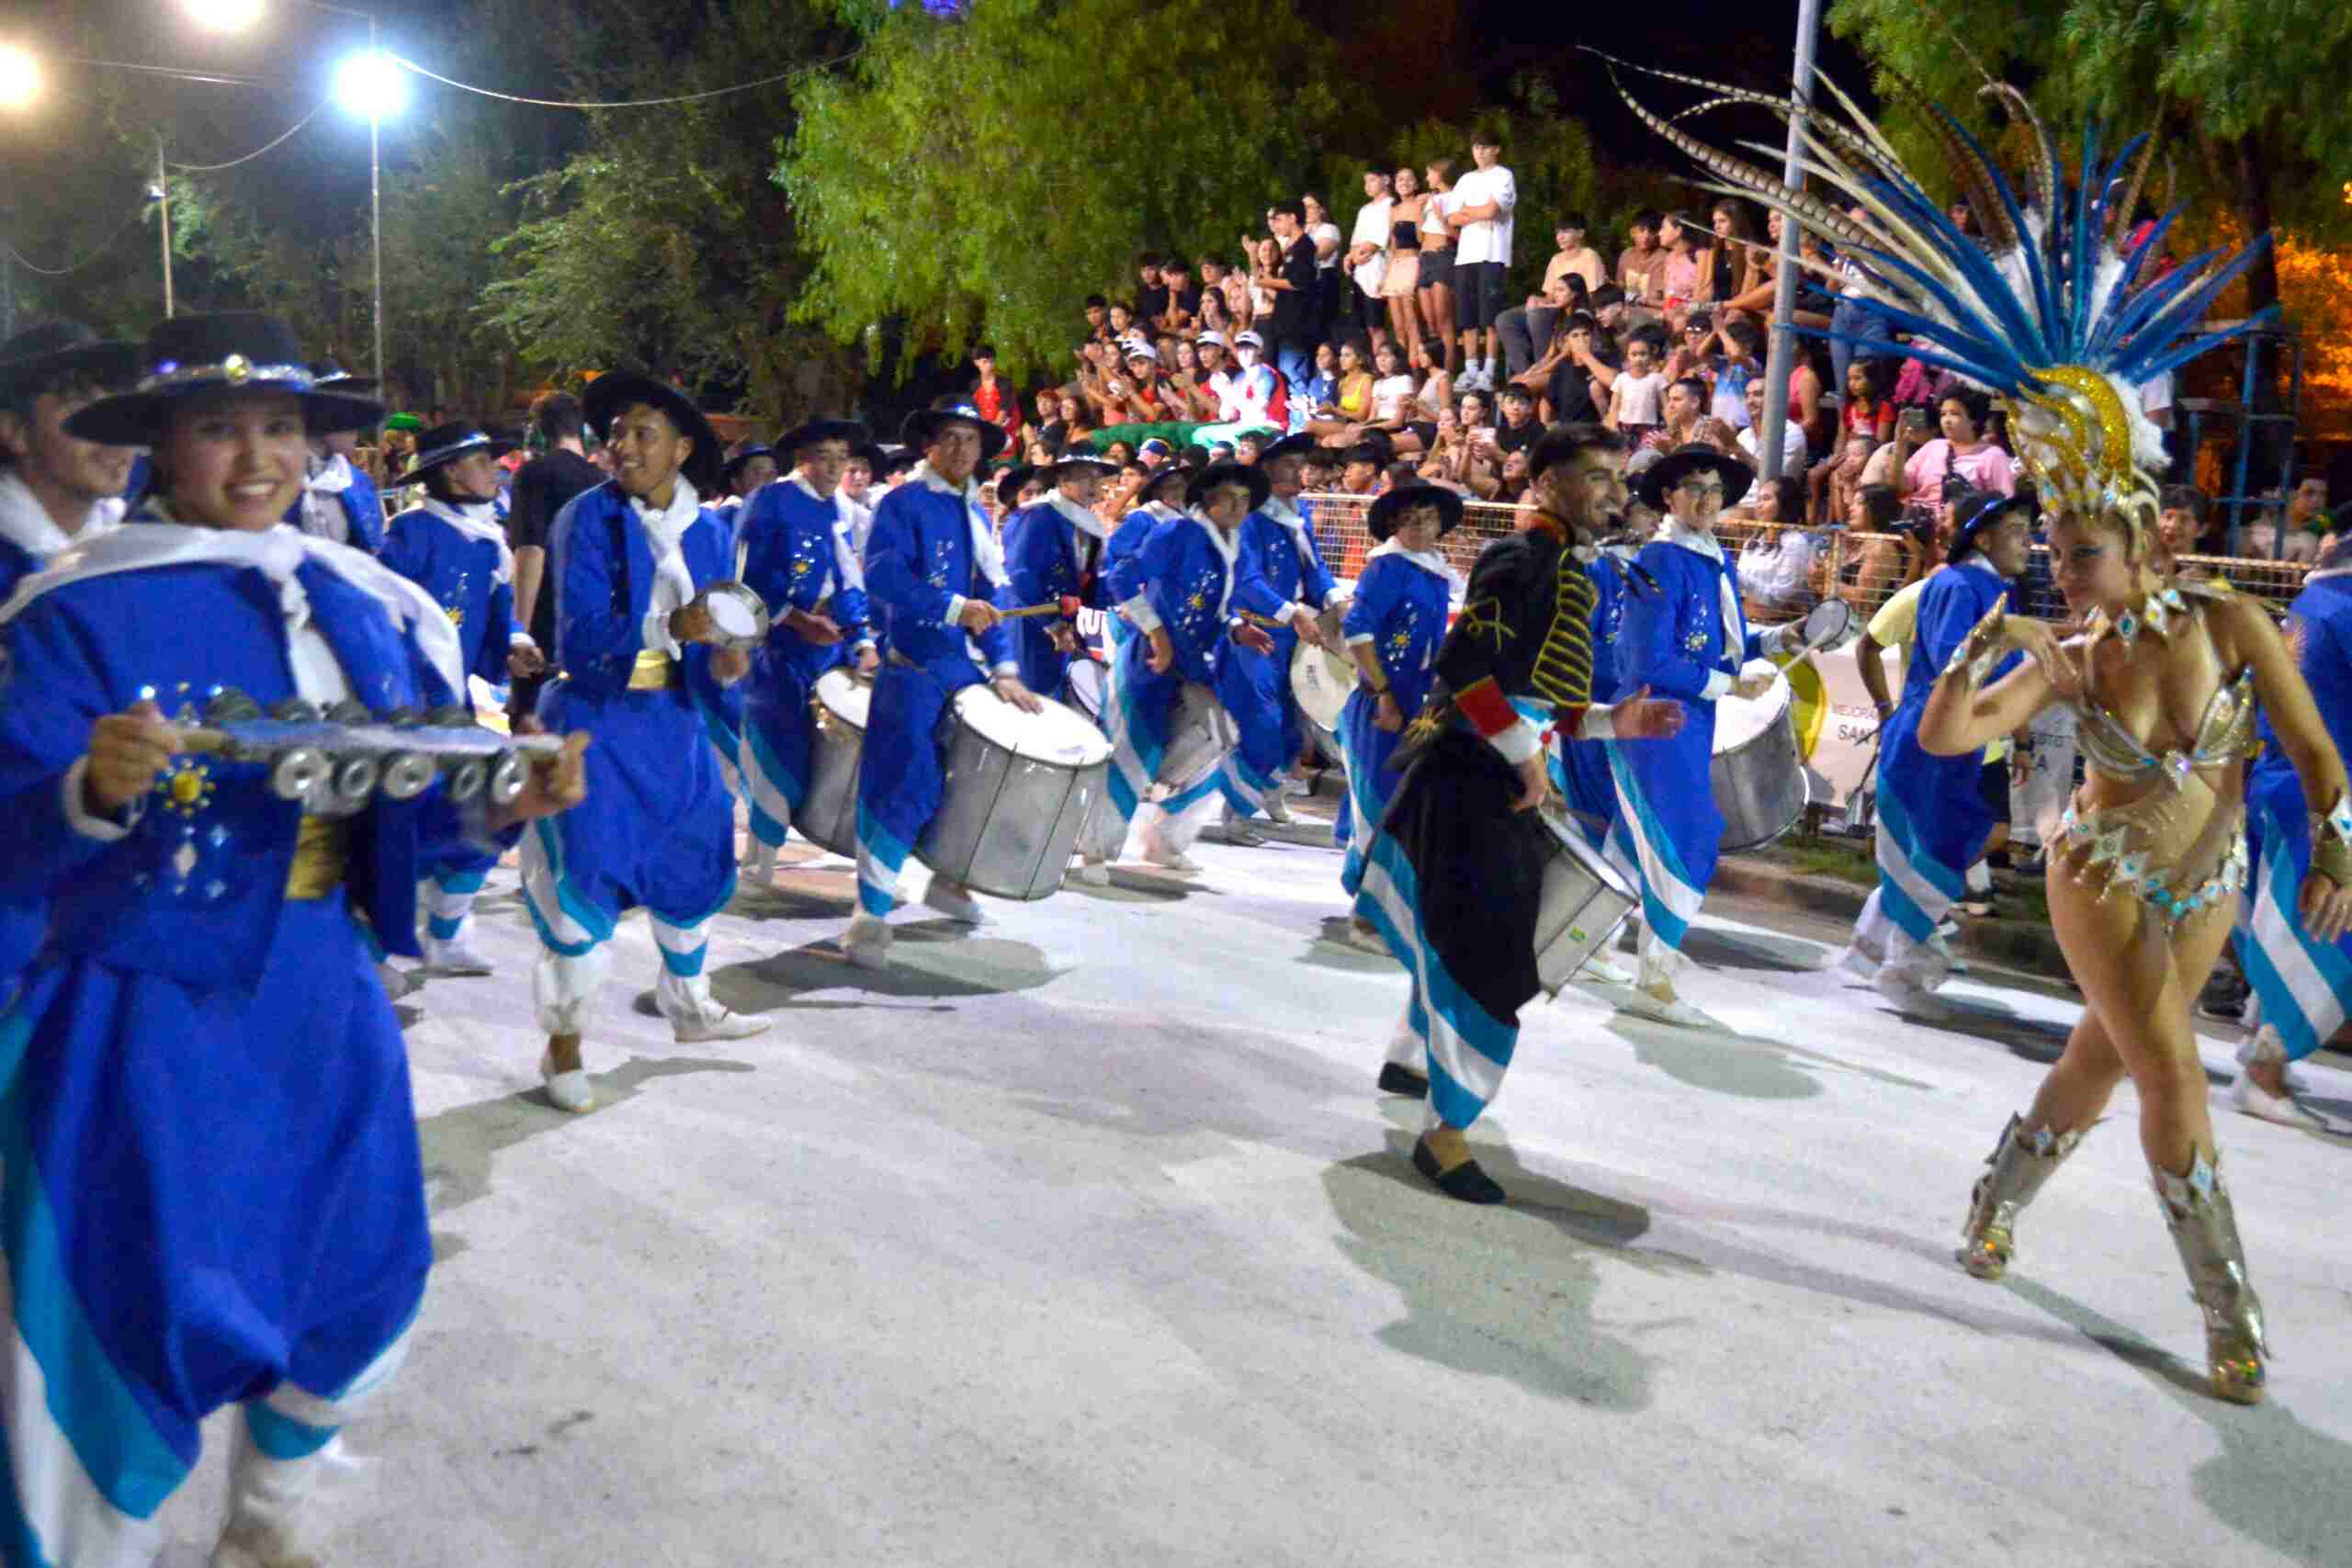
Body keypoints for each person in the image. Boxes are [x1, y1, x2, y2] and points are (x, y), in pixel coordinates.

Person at [1617, 55, 2352, 1405]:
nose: (2060, 572)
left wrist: (2341, 848)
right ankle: (2227, 1308)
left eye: (2077, 550)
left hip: (2213, 881)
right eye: (2050, 552)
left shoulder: (2236, 626)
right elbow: (1954, 736)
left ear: (2137, 533)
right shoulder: (2065, 656)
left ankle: (1994, 1194)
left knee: (2101, 1054)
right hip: (2103, 874)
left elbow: (2316, 753)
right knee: (2168, 1066)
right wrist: (1971, 648)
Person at [0, 311, 588, 1567]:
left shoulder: (362, 604)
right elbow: (12, 831)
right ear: (163, 444)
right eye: (220, 427)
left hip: (325, 991)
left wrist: (499, 801)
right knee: (127, 1294)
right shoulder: (74, 612)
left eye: (281, 426)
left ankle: (264, 1525)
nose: (257, 456)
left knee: (356, 1263)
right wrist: (86, 792)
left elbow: (415, 813)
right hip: (140, 1004)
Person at [1354, 424, 1685, 1203]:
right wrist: (1523, 754)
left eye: (1617, 477)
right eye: (1595, 476)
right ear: (1543, 483)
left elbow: (1540, 701)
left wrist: (1611, 721)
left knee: (1464, 933)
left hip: (1498, 772)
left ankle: (1410, 1060)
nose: (1614, 491)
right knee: (1491, 959)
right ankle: (1445, 1134)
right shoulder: (1520, 558)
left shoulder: (1569, 567)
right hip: (1469, 777)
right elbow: (1464, 667)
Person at [522, 370, 772, 1112]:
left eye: (643, 433)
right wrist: (673, 628)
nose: (623, 446)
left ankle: (688, 1003)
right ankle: (563, 1045)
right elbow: (581, 638)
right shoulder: (583, 519)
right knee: (584, 886)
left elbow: (725, 636)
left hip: (675, 725)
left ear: (682, 448)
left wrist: (729, 659)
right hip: (599, 723)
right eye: (618, 433)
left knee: (693, 860)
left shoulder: (711, 528)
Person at [842, 403, 1046, 964]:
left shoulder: (975, 514)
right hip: (910, 667)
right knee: (900, 783)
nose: (960, 450)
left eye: (970, 440)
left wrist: (1004, 669)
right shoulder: (903, 502)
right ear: (929, 446)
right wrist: (955, 609)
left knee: (969, 783)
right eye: (950, 439)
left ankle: (948, 880)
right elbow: (882, 576)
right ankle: (871, 913)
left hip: (960, 672)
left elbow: (994, 597)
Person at [1609, 445, 1804, 1024]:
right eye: (1694, 487)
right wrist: (1726, 686)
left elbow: (1720, 636)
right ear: (1668, 497)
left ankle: (1582, 939)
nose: (1707, 500)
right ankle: (1655, 977)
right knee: (1688, 836)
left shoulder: (1708, 556)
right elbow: (1646, 658)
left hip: (1686, 717)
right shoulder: (1664, 559)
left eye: (1716, 490)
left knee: (1631, 836)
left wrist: (1774, 640)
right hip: (1659, 717)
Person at [1839, 493, 2035, 1008]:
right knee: (1931, 850)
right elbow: (1959, 664)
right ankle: (1903, 972)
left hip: (1954, 736)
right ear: (1983, 537)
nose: (2027, 541)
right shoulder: (1960, 584)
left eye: (2028, 530)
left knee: (1932, 847)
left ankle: (1880, 950)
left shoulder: (1989, 588)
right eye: (2016, 530)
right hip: (1934, 735)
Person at [378, 423, 548, 974]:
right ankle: (376, 950)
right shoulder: (410, 534)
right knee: (396, 833)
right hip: (404, 716)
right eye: (484, 461)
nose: (497, 469)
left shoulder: (487, 540)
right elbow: (380, 622)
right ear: (452, 470)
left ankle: (445, 935)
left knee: (488, 818)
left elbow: (499, 616)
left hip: (458, 713)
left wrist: (516, 645)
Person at [1094, 461, 1313, 872]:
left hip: (1199, 661)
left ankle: (1164, 843)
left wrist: (1243, 626)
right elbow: (1120, 577)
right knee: (1131, 750)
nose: (1238, 506)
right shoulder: (1177, 533)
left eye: (1245, 499)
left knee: (1212, 744)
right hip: (1152, 658)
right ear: (1207, 502)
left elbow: (1239, 590)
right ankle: (1094, 848)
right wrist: (1155, 631)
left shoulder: (1236, 542)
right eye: (1228, 498)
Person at [2232, 534, 2352, 1128]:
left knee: (2283, 920)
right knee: (2324, 929)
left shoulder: (2304, 610)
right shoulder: (2349, 611)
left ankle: (2258, 1042)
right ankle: (2264, 1072)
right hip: (2326, 790)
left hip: (2275, 780)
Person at [733, 416, 879, 882]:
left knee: (808, 757)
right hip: (776, 649)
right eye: (827, 457)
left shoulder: (837, 510)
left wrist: (861, 639)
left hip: (823, 649)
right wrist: (795, 620)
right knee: (775, 748)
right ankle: (760, 858)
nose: (837, 467)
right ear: (803, 460)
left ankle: (766, 852)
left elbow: (845, 579)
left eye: (843, 457)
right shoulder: (770, 501)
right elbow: (745, 577)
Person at [1336, 482, 1461, 896]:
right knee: (1380, 800)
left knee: (1405, 802)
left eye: (1428, 518)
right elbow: (1357, 629)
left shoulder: (1434, 569)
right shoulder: (1387, 567)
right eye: (1410, 519)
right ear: (1393, 524)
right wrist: (1383, 693)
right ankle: (1365, 904)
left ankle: (1385, 903)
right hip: (1386, 696)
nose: (1421, 527)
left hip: (1421, 697)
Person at [1225, 431, 1343, 829]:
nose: (1300, 472)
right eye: (1290, 465)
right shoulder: (1250, 514)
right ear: (1267, 469)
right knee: (1264, 720)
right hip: (1257, 631)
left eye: (1300, 465)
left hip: (1294, 634)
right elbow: (1246, 578)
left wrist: (1334, 599)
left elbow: (1315, 567)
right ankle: (1237, 809)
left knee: (1296, 725)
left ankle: (1271, 791)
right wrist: (1292, 612)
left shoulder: (1298, 510)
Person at [508, 390, 604, 727]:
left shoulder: (533, 475)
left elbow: (531, 552)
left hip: (546, 624)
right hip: (589, 625)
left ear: (537, 431)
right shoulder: (603, 482)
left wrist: (518, 634)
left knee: (532, 734)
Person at [998, 450, 1120, 703]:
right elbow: (1022, 576)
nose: (1095, 486)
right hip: (1029, 623)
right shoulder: (1037, 515)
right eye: (1086, 478)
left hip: (1063, 624)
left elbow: (1090, 580)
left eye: (1098, 479)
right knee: (1032, 700)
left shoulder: (1085, 521)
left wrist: (1124, 602)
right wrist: (1052, 625)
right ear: (1063, 481)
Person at [290, 362, 389, 555]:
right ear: (320, 415)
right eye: (347, 414)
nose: (357, 427)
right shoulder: (274, 479)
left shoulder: (358, 483)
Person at [1446, 131, 1516, 391]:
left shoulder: (1503, 176)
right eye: (1476, 147)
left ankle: (1489, 370)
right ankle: (1471, 369)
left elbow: (1492, 210)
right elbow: (1452, 217)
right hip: (1466, 255)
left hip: (1493, 253)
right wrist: (1477, 212)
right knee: (1467, 316)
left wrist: (1469, 212)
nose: (1480, 152)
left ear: (1496, 149)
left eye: (1485, 147)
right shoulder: (1466, 179)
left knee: (1491, 316)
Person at [1498, 218, 1604, 380]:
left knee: (1537, 315)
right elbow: (1549, 296)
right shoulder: (1556, 259)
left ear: (1581, 233)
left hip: (1574, 307)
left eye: (1566, 232)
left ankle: (1545, 373)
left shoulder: (1590, 256)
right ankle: (1524, 372)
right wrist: (1537, 300)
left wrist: (1552, 305)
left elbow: (1592, 294)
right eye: (1557, 233)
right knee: (1505, 319)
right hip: (1556, 305)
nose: (1560, 237)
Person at [1415, 159, 1459, 374]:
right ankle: (1434, 373)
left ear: (1440, 174)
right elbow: (1419, 235)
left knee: (1444, 322)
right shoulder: (1429, 199)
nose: (1426, 178)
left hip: (1443, 254)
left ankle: (1447, 375)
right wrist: (1419, 209)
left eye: (1429, 173)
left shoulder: (1455, 197)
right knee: (1431, 324)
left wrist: (1441, 216)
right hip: (1425, 256)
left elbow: (1455, 233)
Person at [1344, 166, 1394, 350]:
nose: (1368, 185)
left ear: (1386, 180)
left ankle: (1383, 359)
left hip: (1378, 269)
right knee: (1363, 325)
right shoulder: (1364, 210)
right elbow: (1356, 240)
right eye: (1366, 182)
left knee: (1376, 324)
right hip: (1361, 272)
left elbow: (1378, 241)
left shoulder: (1391, 205)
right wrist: (1351, 255)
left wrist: (1357, 254)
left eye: (1372, 180)